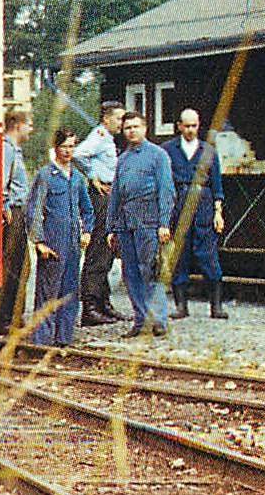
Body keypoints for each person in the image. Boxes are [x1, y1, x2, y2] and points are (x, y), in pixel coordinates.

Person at [106, 111, 175, 338]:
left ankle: (158, 320)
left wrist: (164, 223)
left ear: (145, 128)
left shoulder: (158, 156)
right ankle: (140, 319)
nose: (131, 131)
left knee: (151, 271)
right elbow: (115, 193)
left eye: (136, 126)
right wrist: (111, 227)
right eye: (127, 128)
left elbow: (166, 191)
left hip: (149, 222)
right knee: (131, 273)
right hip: (126, 224)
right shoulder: (123, 159)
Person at [29, 126, 94, 347]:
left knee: (69, 291)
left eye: (72, 146)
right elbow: (35, 210)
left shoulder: (77, 178)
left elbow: (87, 209)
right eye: (64, 146)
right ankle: (41, 340)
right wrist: (38, 241)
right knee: (48, 292)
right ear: (55, 148)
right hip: (52, 242)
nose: (68, 151)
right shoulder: (45, 176)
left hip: (73, 243)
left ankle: (64, 338)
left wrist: (87, 231)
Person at [163, 108, 227, 319]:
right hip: (178, 203)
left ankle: (216, 306)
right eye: (186, 126)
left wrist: (218, 212)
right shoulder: (168, 150)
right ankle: (181, 306)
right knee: (180, 255)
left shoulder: (208, 151)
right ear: (179, 126)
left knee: (208, 253)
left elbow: (217, 185)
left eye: (194, 126)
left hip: (203, 203)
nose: (190, 130)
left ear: (199, 126)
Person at [74, 100, 128, 326]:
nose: (122, 123)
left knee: (107, 250)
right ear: (107, 119)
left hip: (110, 194)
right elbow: (78, 154)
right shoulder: (99, 135)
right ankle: (91, 307)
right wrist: (92, 175)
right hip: (101, 196)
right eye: (119, 118)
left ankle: (104, 303)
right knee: (98, 250)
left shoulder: (109, 139)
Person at [0, 109, 33, 336]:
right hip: (11, 213)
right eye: (30, 124)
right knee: (11, 267)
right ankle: (3, 319)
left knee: (20, 266)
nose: (31, 129)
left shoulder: (14, 149)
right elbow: (0, 179)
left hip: (17, 211)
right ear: (18, 125)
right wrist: (4, 206)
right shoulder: (6, 149)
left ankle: (12, 316)